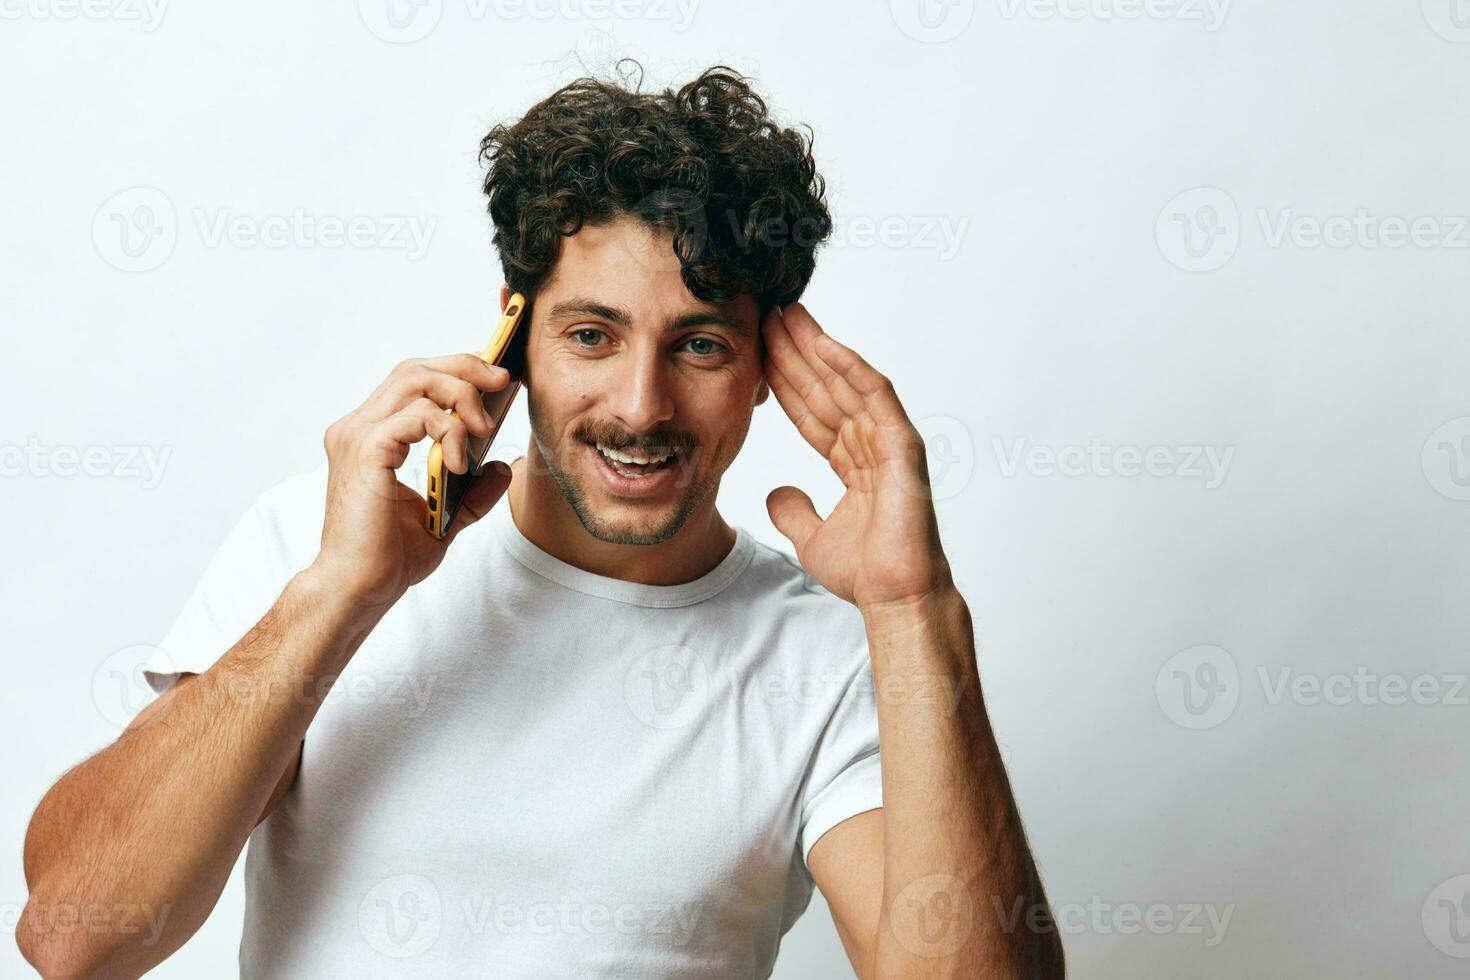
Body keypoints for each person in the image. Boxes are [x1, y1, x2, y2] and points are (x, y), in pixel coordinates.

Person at [17, 64, 1063, 978]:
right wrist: (342, 594)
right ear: (514, 337)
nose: (642, 404)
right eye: (592, 334)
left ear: (766, 370)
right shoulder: (318, 547)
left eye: (699, 343)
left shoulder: (834, 658)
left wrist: (917, 606)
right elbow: (74, 937)